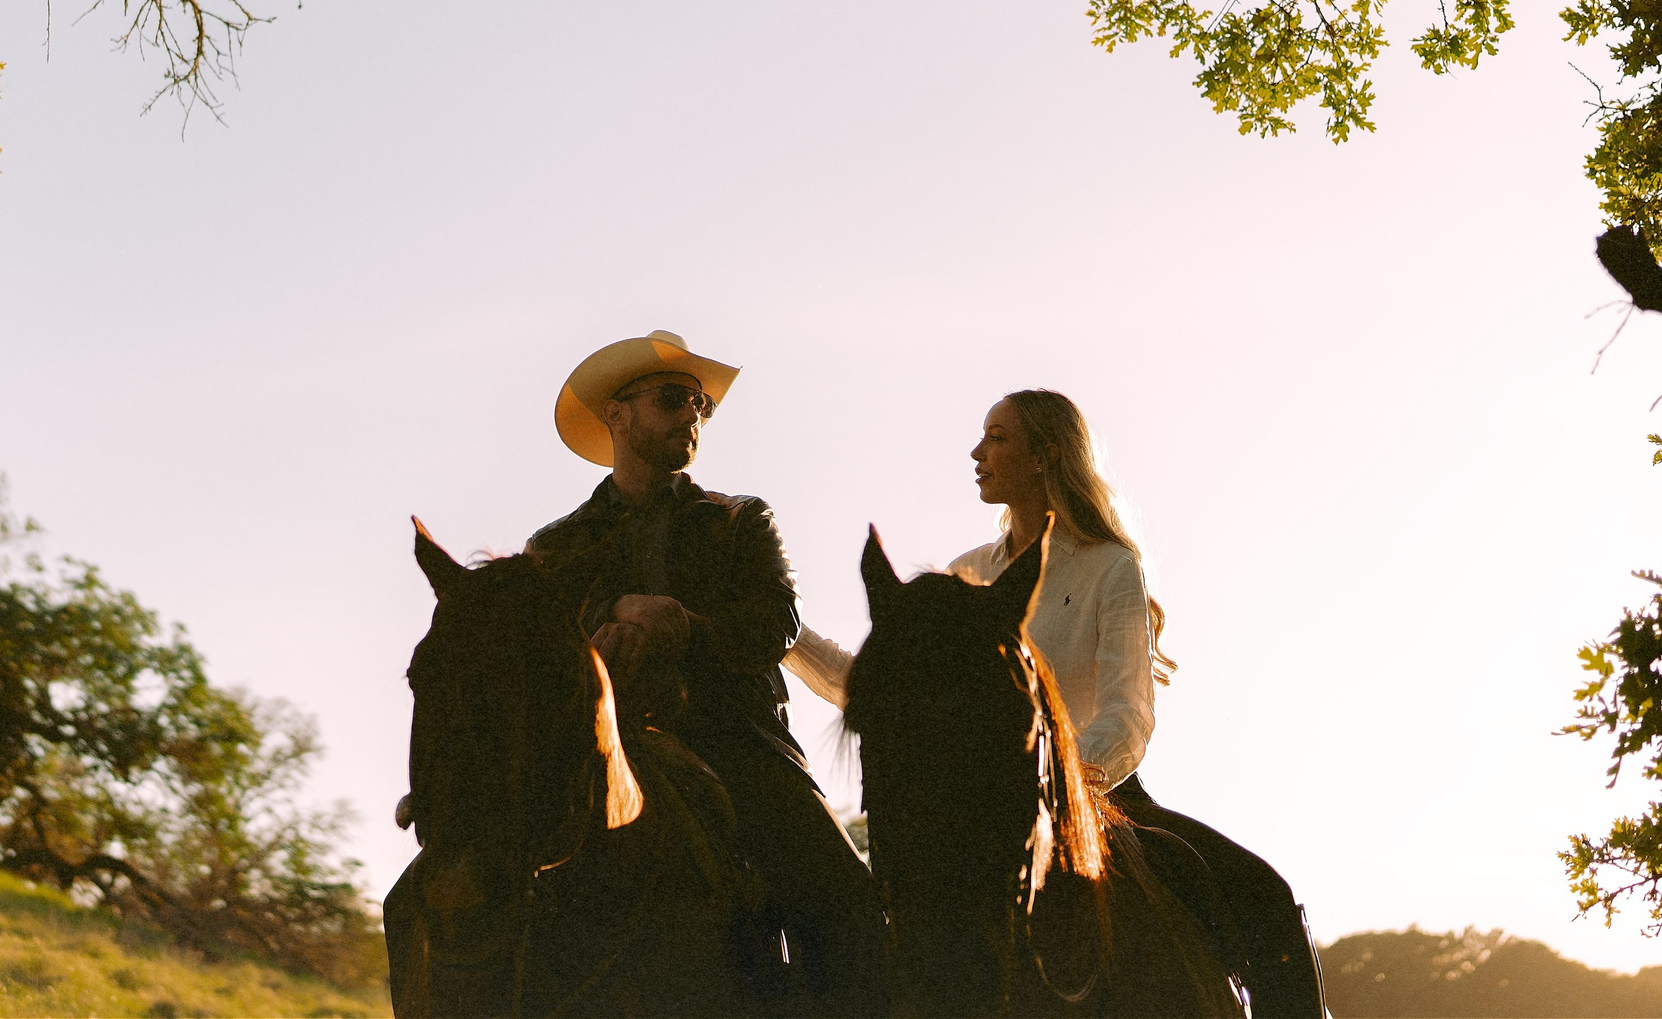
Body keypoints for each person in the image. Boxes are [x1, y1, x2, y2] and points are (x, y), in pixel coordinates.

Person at [785, 388, 1326, 1019]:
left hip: (1105, 796)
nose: (976, 452)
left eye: (997, 437)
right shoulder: (967, 574)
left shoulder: (1110, 566)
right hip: (976, 812)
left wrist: (1064, 776)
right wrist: (781, 630)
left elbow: (1128, 715)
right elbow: (894, 693)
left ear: (1045, 455)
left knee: (1266, 899)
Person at [526, 330, 891, 1018]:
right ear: (618, 414)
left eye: (700, 405)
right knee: (472, 866)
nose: (692, 415)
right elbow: (534, 652)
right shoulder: (555, 544)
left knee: (846, 897)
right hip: (596, 741)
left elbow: (778, 619)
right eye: (673, 399)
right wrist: (602, 626)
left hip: (737, 739)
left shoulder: (741, 518)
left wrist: (683, 626)